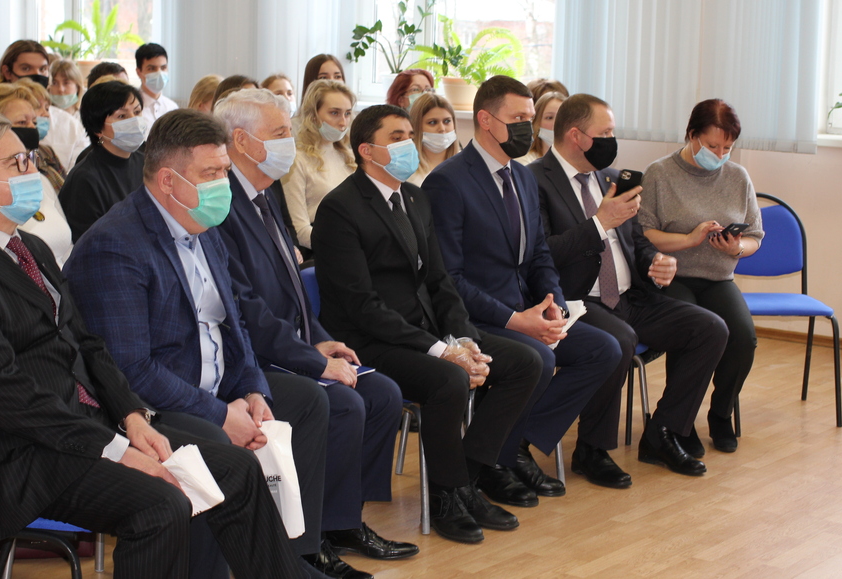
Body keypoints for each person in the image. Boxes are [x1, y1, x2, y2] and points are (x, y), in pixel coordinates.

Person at [0, 116, 306, 579]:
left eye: (29, 159)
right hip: (20, 456)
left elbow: (88, 344)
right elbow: (8, 397)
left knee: (237, 468)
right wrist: (116, 449)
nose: (32, 171)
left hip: (82, 427)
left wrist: (132, 416)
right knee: (161, 504)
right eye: (16, 163)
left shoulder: (28, 247)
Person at [62, 109, 333, 578]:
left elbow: (234, 323)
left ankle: (291, 556)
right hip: (150, 406)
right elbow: (130, 368)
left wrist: (251, 390)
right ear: (168, 180)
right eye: (210, 174)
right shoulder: (116, 245)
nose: (223, 183)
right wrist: (220, 414)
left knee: (308, 401)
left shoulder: (201, 226)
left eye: (224, 170)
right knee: (215, 443)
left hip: (214, 383)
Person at [312, 104, 543, 543]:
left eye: (409, 135)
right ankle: (445, 498)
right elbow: (363, 306)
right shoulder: (340, 208)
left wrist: (463, 339)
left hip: (426, 328)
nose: (409, 144)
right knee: (448, 381)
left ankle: (467, 477)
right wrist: (441, 350)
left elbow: (440, 280)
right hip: (370, 340)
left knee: (524, 362)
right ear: (367, 150)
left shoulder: (415, 197)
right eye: (396, 137)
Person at [214, 89, 417, 567]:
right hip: (252, 359)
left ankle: (342, 519)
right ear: (241, 141)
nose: (289, 139)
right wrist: (311, 359)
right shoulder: (223, 206)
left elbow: (292, 289)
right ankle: (307, 542)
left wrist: (320, 338)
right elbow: (245, 309)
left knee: (382, 394)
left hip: (290, 344)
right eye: (279, 132)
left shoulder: (265, 194)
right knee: (341, 402)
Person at [422, 76, 622, 501]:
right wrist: (516, 320)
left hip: (525, 309)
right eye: (517, 119)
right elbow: (449, 279)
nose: (527, 129)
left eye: (530, 119)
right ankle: (489, 464)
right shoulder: (449, 181)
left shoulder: (524, 178)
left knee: (603, 349)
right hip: (477, 317)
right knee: (539, 357)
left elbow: (539, 255)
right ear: (485, 120)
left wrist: (553, 305)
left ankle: (512, 446)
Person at [530, 93, 729, 480]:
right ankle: (592, 448)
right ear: (576, 136)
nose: (612, 140)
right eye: (605, 132)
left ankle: (663, 433)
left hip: (629, 296)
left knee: (710, 328)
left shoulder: (612, 178)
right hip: (578, 300)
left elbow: (636, 243)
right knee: (619, 339)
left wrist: (655, 262)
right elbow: (542, 253)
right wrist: (598, 224)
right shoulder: (535, 180)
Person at [639, 99, 764, 453]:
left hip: (718, 278)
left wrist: (736, 248)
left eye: (727, 148)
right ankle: (679, 424)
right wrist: (688, 239)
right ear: (692, 135)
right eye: (712, 146)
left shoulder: (738, 177)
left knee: (743, 338)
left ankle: (721, 414)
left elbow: (756, 236)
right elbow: (643, 233)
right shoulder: (660, 173)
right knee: (693, 330)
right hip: (672, 276)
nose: (720, 154)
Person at [0, 90, 73, 266]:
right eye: (22, 122)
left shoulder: (38, 180)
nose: (32, 128)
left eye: (34, 122)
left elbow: (67, 248)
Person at [59, 80, 146, 242]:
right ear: (98, 129)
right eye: (122, 116)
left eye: (137, 112)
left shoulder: (147, 163)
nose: (134, 120)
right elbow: (88, 242)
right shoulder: (85, 179)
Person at [0, 39, 87, 170]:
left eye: (43, 69)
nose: (37, 75)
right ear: (7, 72)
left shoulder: (68, 124)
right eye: (26, 68)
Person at [282, 80, 356, 251]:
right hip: (321, 248)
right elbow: (299, 229)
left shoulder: (350, 158)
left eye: (347, 113)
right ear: (314, 115)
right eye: (334, 113)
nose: (343, 122)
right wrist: (345, 247)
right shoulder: (297, 160)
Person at [408, 93, 460, 186]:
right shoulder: (406, 170)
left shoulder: (466, 164)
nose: (442, 128)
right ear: (416, 127)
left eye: (447, 121)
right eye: (432, 122)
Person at [135, 43, 177, 130]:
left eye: (163, 68)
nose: (159, 73)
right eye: (151, 69)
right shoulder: (131, 109)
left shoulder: (172, 108)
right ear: (139, 72)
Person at [517, 90, 565, 165]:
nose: (557, 123)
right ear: (537, 123)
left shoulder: (580, 160)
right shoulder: (525, 161)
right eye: (549, 118)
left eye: (562, 117)